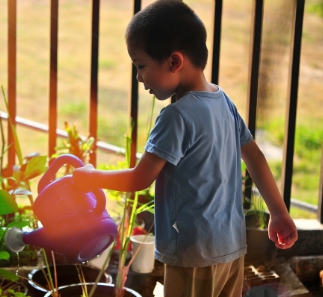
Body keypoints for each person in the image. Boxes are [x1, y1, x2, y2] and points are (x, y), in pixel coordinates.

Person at [72, 0, 298, 296]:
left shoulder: (176, 116)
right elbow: (254, 156)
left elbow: (139, 179)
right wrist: (279, 213)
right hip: (231, 248)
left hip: (194, 254)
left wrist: (89, 177)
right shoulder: (222, 100)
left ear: (174, 62)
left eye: (141, 66)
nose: (139, 77)